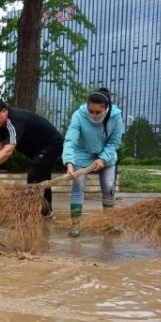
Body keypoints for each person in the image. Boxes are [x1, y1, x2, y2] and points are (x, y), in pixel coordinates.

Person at [0, 98, 64, 218]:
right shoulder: (1, 124)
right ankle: (47, 213)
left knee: (34, 176)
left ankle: (34, 214)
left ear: (4, 111)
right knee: (42, 178)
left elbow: (8, 151)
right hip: (38, 149)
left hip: (51, 144)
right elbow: (0, 144)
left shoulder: (14, 121)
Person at [62, 87, 124, 237]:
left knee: (109, 188)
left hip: (106, 157)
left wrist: (103, 158)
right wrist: (69, 163)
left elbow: (115, 142)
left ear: (106, 108)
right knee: (77, 187)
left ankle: (109, 222)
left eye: (98, 112)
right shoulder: (78, 115)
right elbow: (70, 140)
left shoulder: (115, 117)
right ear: (87, 106)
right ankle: (75, 225)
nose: (94, 115)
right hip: (82, 155)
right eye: (91, 111)